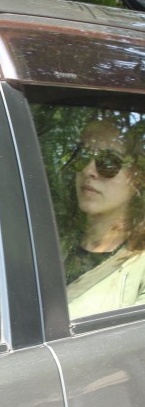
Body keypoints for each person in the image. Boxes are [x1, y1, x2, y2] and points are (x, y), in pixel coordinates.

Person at [63, 118, 145, 318]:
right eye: (82, 156)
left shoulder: (140, 268)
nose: (88, 171)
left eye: (108, 162)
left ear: (137, 177)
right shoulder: (50, 242)